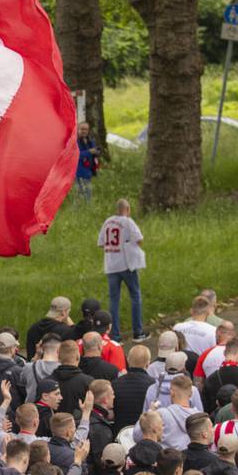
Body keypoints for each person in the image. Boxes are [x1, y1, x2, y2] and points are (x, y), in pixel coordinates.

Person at [98, 198, 147, 342]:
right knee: (135, 296)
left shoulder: (107, 222)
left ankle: (115, 335)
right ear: (128, 209)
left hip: (111, 265)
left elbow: (101, 243)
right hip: (126, 264)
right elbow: (139, 239)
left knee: (114, 300)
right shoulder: (127, 221)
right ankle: (138, 332)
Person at [75, 121, 100, 202]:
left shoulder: (90, 140)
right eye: (82, 129)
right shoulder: (75, 141)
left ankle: (84, 210)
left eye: (86, 129)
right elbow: (76, 155)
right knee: (81, 195)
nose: (84, 131)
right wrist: (89, 151)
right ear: (78, 129)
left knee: (87, 194)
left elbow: (94, 151)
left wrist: (96, 151)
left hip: (88, 171)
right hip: (79, 172)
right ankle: (79, 211)